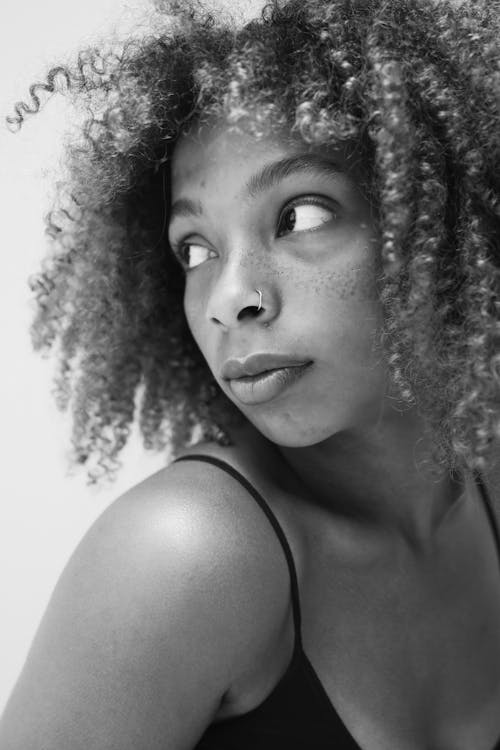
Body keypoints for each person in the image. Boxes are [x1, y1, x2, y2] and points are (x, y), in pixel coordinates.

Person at [1, 0, 500, 747]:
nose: (230, 299)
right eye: (195, 249)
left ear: (443, 219)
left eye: (299, 216)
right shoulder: (187, 552)